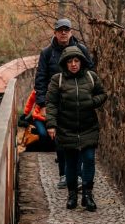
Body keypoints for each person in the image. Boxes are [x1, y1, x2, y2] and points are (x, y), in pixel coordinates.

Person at [46, 45, 107, 212]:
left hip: (88, 126)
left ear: (81, 62)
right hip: (67, 127)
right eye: (70, 61)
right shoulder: (57, 80)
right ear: (65, 63)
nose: (73, 64)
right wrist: (51, 124)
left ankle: (88, 195)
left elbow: (102, 94)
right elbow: (50, 103)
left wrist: (92, 102)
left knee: (88, 158)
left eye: (76, 61)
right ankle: (72, 194)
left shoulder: (91, 77)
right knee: (71, 162)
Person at [34, 18, 93, 187]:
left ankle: (78, 175)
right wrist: (42, 103)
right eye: (60, 30)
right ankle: (64, 174)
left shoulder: (80, 49)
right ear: (55, 32)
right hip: (57, 102)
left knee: (79, 139)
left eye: (66, 30)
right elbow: (40, 78)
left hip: (78, 101)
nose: (63, 33)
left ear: (71, 31)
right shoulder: (47, 53)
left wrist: (88, 95)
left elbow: (90, 71)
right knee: (60, 140)